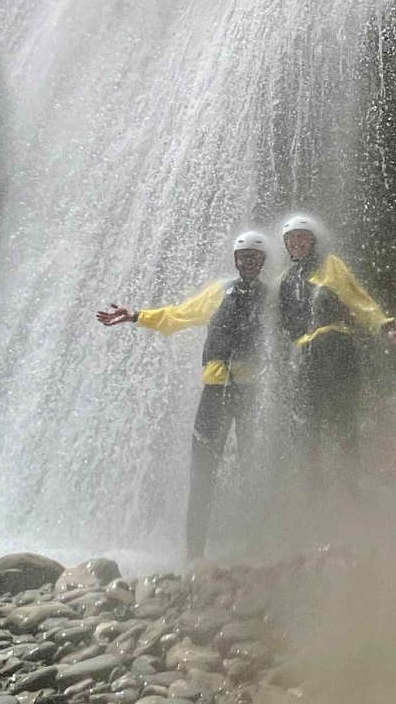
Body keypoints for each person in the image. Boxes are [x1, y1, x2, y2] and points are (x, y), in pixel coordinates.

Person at [97, 230, 270, 560]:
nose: (249, 261)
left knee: (253, 471)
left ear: (262, 261)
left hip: (251, 395)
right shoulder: (219, 293)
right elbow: (177, 315)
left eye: (255, 256)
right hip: (215, 394)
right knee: (203, 474)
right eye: (244, 256)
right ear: (236, 260)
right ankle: (194, 555)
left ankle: (256, 553)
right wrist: (135, 315)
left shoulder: (272, 296)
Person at [277, 214, 396, 487]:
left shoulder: (329, 265)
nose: (296, 242)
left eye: (302, 237)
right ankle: (315, 489)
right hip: (305, 358)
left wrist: (383, 326)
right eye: (291, 239)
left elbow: (357, 298)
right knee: (308, 426)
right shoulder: (286, 280)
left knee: (342, 419)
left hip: (335, 349)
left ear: (313, 241)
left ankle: (349, 487)